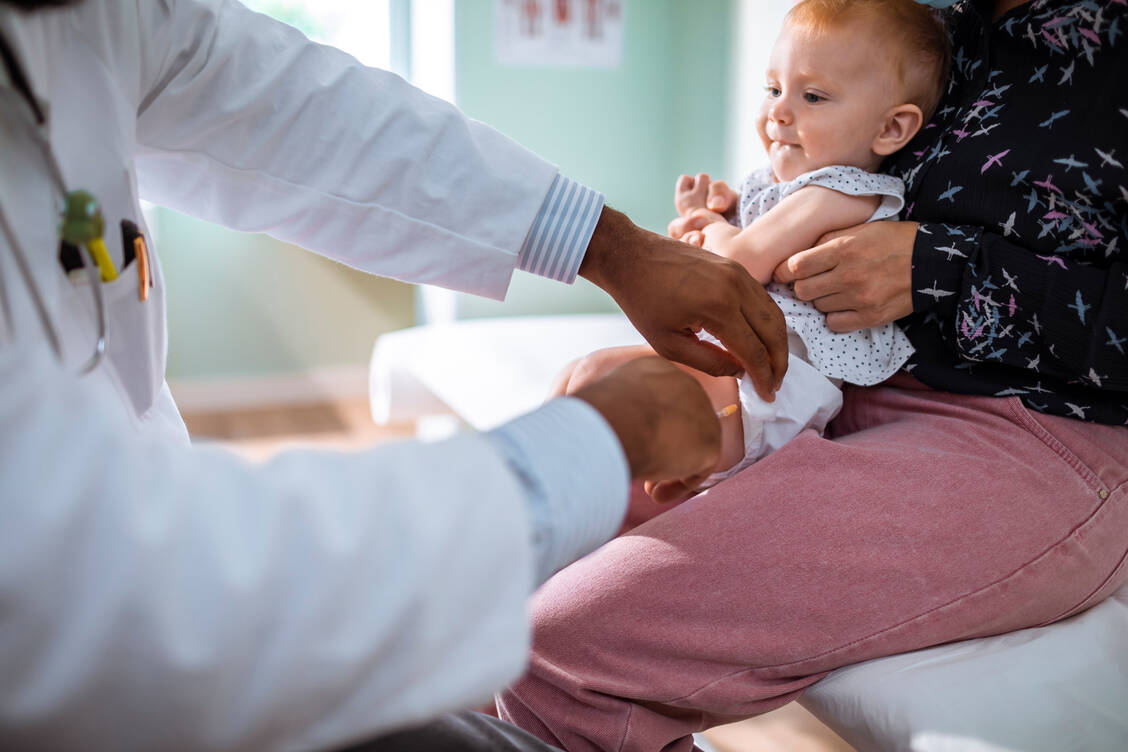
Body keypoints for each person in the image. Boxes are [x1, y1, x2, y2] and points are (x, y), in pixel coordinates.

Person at [0, 0, 791, 749]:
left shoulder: (88, 21)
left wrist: (605, 243)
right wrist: (593, 442)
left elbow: (269, 100)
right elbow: (107, 600)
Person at [495, 0, 1128, 749]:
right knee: (531, 523)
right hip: (839, 374)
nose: (782, 111)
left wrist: (941, 271)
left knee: (560, 650)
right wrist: (733, 214)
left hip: (1035, 427)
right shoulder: (922, 22)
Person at [549, 0, 949, 504]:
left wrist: (711, 227)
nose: (779, 110)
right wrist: (707, 222)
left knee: (593, 381)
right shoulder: (780, 186)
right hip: (740, 374)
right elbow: (705, 269)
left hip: (769, 389)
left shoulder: (844, 193)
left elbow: (735, 265)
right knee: (574, 378)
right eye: (774, 89)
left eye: (813, 96)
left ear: (890, 129)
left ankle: (525, 507)